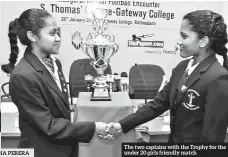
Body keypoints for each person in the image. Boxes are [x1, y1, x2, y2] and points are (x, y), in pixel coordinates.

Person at [1, 8, 110, 157]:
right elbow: (49, 126)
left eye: (58, 33)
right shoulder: (22, 76)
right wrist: (94, 127)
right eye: (52, 33)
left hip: (65, 147)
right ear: (32, 36)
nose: (58, 38)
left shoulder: (55, 63)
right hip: (43, 151)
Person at [107, 10, 228, 143]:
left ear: (203, 41)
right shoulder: (182, 67)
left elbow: (212, 138)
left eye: (184, 36)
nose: (178, 41)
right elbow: (158, 104)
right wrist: (122, 125)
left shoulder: (218, 78)